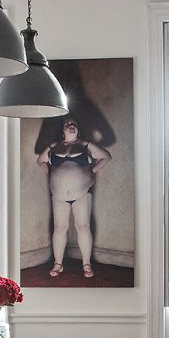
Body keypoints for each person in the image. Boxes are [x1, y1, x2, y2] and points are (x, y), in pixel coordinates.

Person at [37, 116, 112, 278]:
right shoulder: (54, 146)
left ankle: (86, 264)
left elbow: (106, 156)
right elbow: (41, 161)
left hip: (82, 194)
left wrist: (91, 171)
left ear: (78, 128)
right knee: (59, 229)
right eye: (68, 124)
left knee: (83, 227)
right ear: (62, 130)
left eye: (74, 124)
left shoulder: (85, 144)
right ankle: (58, 264)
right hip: (58, 195)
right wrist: (51, 174)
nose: (71, 126)